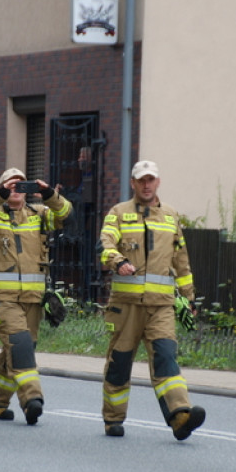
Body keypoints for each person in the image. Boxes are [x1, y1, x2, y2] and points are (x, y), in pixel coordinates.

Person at [98, 160, 206, 440]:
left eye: (151, 180)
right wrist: (117, 260)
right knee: (120, 363)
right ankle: (113, 418)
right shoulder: (118, 213)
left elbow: (181, 261)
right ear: (133, 183)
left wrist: (189, 297)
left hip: (161, 307)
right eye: (141, 180)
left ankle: (180, 416)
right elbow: (105, 243)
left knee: (166, 359)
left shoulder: (171, 216)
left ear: (158, 182)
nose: (146, 185)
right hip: (126, 307)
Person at [0, 168, 72, 425]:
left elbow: (67, 215)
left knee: (18, 349)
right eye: (10, 185)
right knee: (19, 347)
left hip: (33, 299)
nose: (16, 190)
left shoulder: (39, 214)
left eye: (21, 185)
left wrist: (48, 193)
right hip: (3, 299)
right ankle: (32, 400)